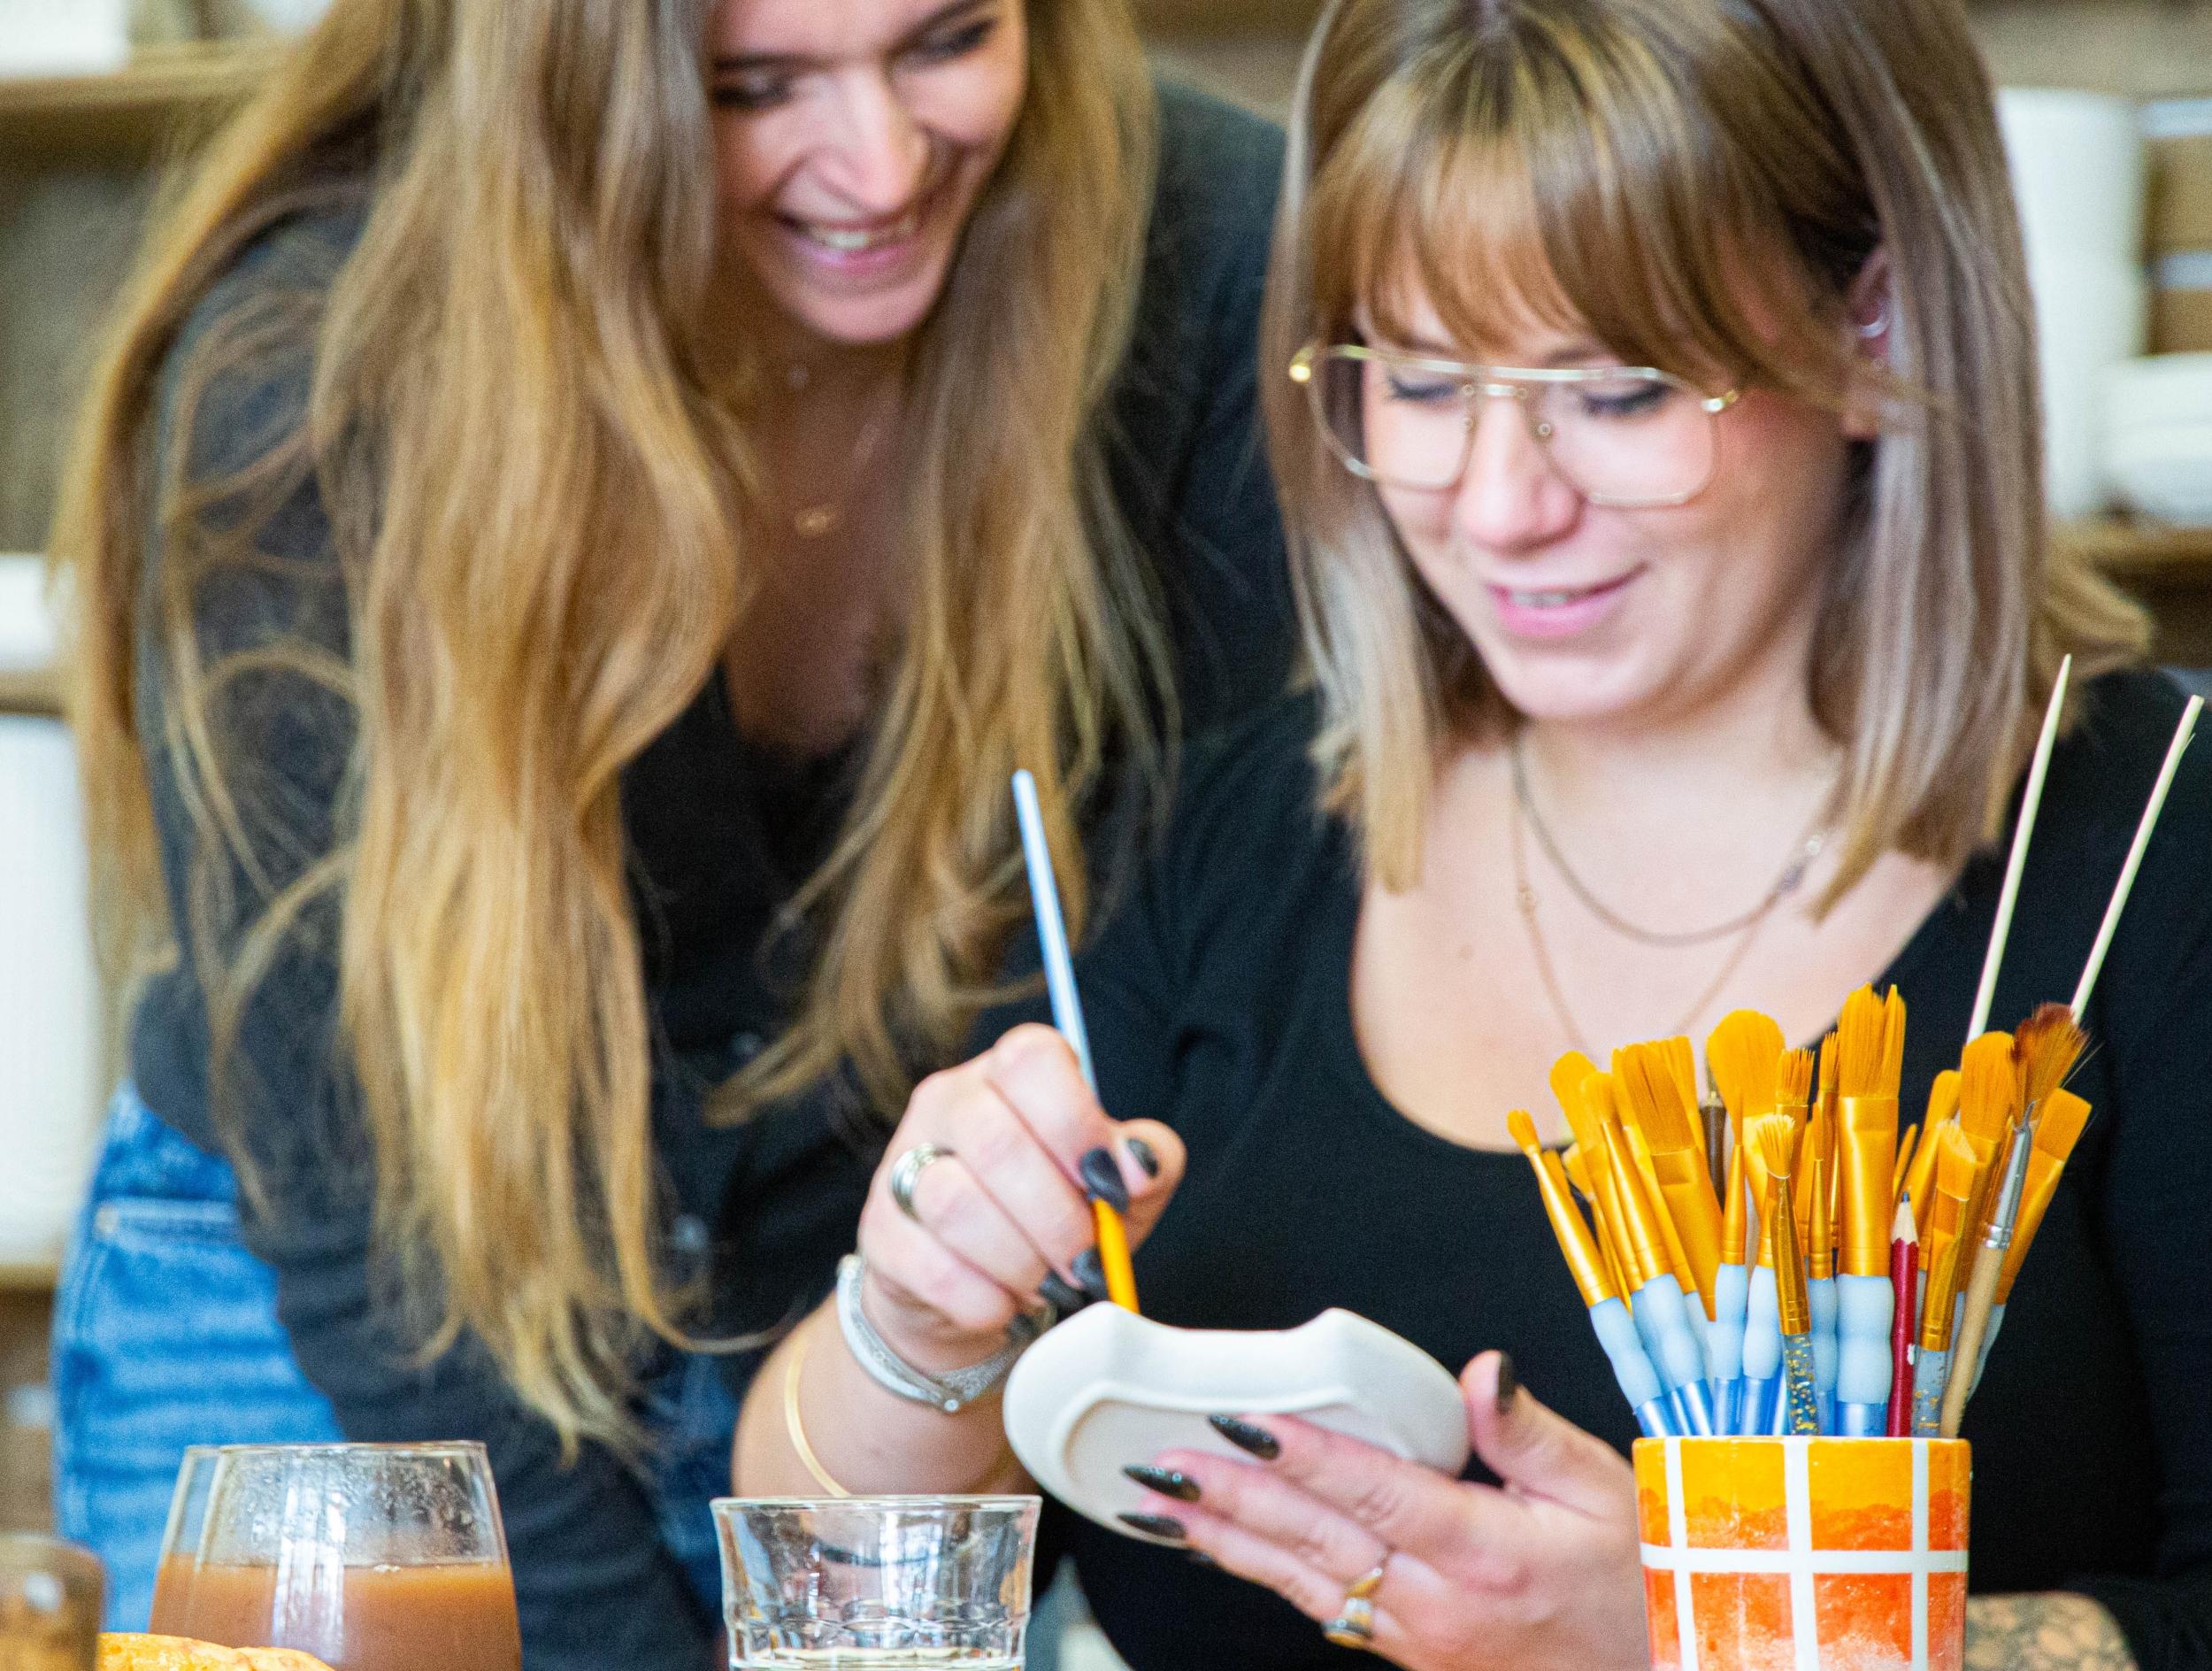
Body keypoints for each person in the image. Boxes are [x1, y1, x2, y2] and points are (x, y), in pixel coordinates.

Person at [735, 0, 2212, 1667]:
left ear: (1875, 330)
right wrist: (916, 1322)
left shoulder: (2150, 856)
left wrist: (1714, 1643)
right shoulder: (1223, 845)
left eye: (1624, 393)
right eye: (1419, 382)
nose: (1501, 504)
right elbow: (826, 1567)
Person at [46, 0, 1294, 1662]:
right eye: (755, 87)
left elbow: (1181, 959)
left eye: (948, 42)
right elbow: (364, 1208)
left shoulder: (1197, 253)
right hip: (344, 1293)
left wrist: (933, 1333)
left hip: (877, 1311)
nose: (882, 161)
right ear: (574, 88)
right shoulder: (314, 378)